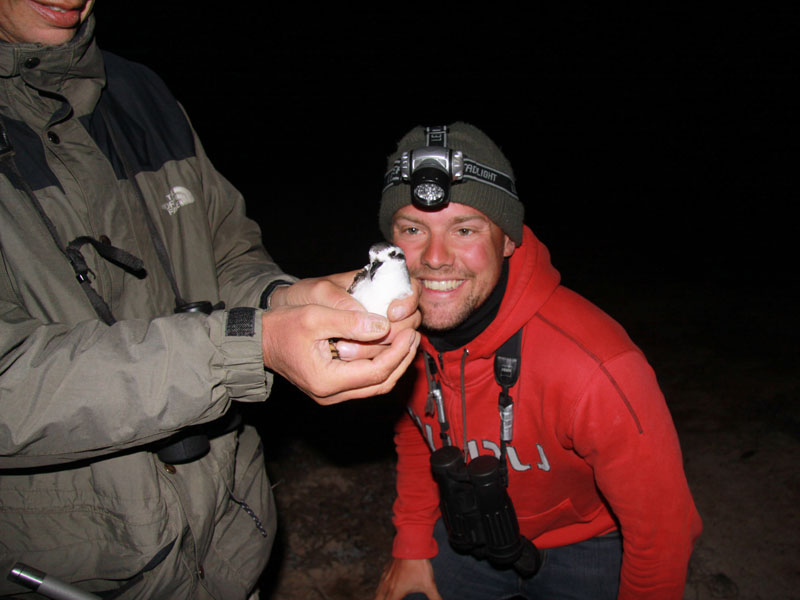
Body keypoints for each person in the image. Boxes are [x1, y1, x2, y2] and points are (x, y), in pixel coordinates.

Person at [0, 2, 420, 598]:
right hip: (66, 573)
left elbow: (225, 255)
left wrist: (290, 300)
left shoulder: (139, 93)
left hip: (228, 543)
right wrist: (252, 346)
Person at [374, 123, 702, 600]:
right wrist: (410, 543)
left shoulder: (596, 365)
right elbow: (418, 431)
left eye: (464, 229)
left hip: (589, 546)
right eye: (412, 229)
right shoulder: (399, 328)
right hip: (467, 527)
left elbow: (661, 532)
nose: (435, 258)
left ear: (507, 240)